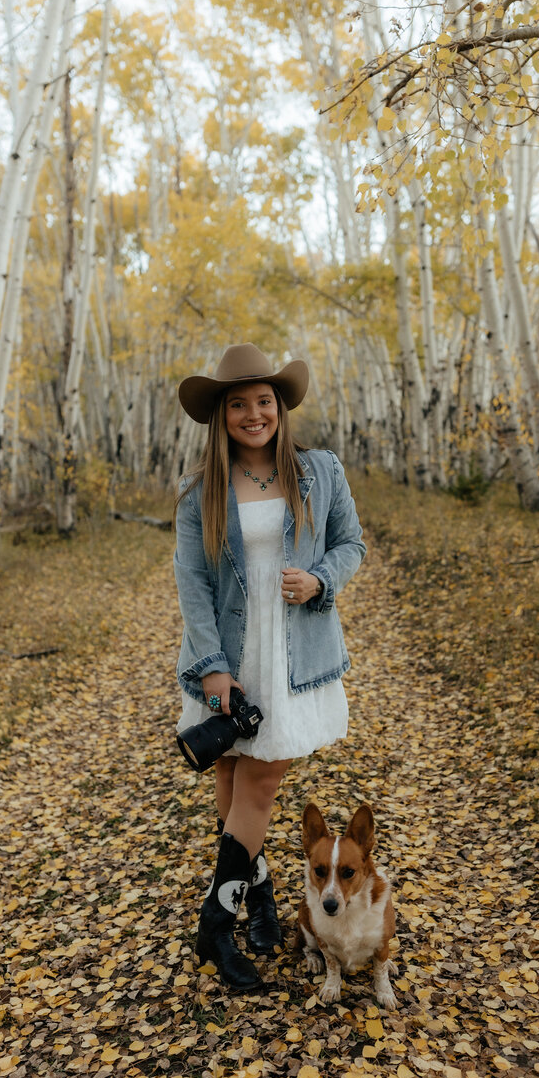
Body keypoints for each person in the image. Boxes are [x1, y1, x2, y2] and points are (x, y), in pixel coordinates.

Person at [173, 343, 366, 992]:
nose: (253, 414)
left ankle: (214, 925)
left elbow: (351, 545)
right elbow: (193, 585)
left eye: (264, 401)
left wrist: (318, 580)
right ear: (221, 415)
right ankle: (257, 903)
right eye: (238, 404)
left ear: (279, 407)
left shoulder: (319, 472)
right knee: (230, 782)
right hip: (230, 658)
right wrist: (212, 669)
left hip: (292, 657)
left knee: (259, 785)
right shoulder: (201, 491)